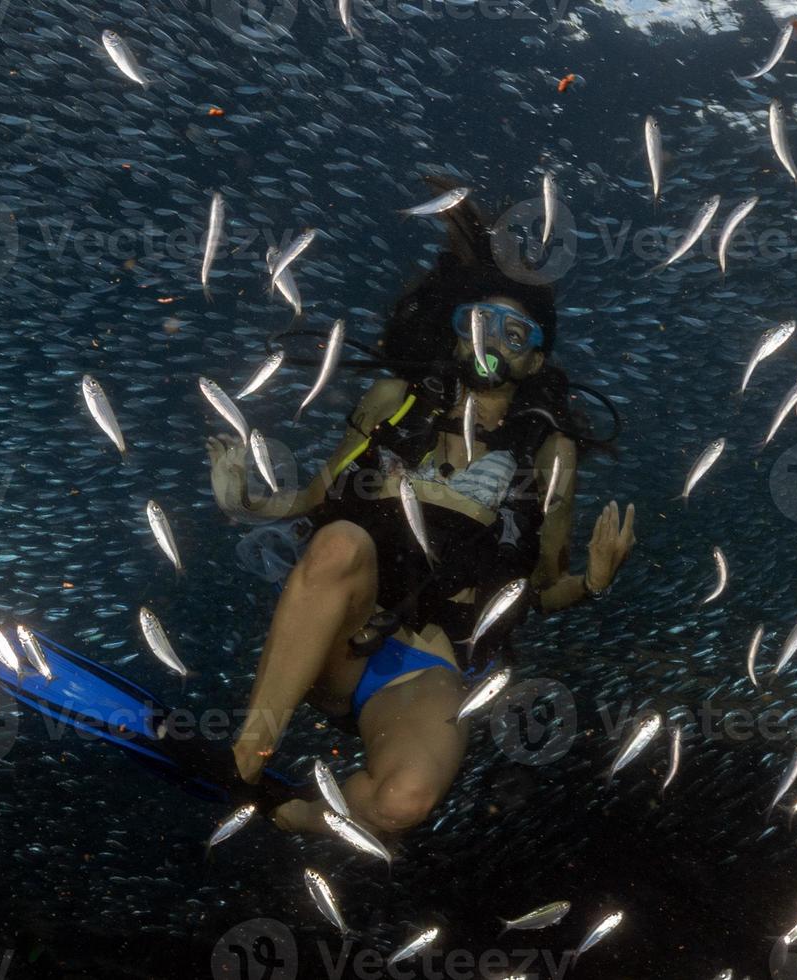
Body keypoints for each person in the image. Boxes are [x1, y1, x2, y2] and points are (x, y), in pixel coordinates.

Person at [206, 190, 636, 836]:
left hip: (429, 668)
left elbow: (543, 590)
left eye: (513, 334)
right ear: (458, 326)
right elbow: (320, 497)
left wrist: (596, 582)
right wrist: (248, 502)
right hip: (342, 635)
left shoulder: (548, 451)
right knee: (342, 543)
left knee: (403, 803)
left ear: (533, 359)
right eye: (481, 322)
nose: (492, 341)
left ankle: (295, 816)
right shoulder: (395, 403)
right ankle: (249, 749)